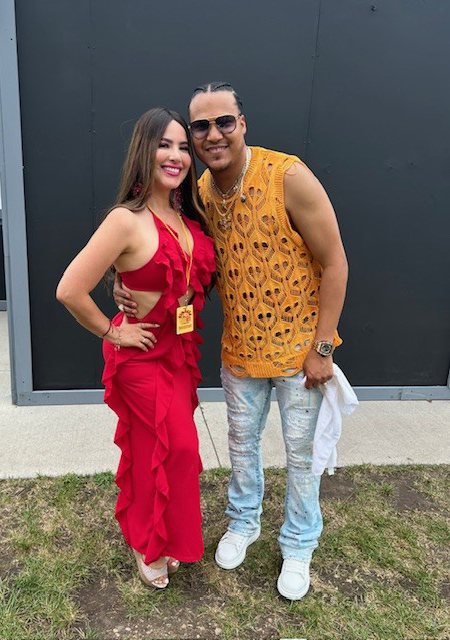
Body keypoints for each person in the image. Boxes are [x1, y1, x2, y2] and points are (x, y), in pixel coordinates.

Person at [115, 83, 348, 601]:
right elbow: (182, 260)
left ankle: (299, 543)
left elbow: (335, 261)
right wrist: (124, 284)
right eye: (200, 126)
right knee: (241, 448)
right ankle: (243, 522)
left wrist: (323, 349)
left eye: (224, 122)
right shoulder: (199, 194)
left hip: (299, 353)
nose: (212, 134)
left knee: (301, 455)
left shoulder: (287, 176)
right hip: (240, 351)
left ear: (242, 123)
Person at [56, 108, 216, 589]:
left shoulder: (187, 216)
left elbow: (186, 278)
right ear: (144, 151)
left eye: (183, 147)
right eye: (164, 145)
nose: (176, 155)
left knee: (157, 448)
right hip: (139, 356)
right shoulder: (125, 220)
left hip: (179, 352)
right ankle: (150, 541)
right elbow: (69, 290)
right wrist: (113, 332)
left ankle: (152, 537)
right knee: (180, 447)